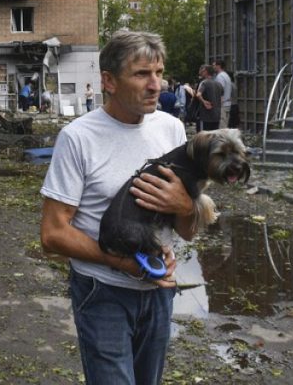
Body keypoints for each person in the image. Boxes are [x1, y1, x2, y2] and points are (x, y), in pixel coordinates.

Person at [39, 30, 196, 384]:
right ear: (108, 81)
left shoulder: (172, 129)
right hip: (103, 291)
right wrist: (123, 263)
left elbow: (186, 229)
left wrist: (186, 206)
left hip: (159, 291)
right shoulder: (78, 137)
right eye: (142, 74)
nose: (155, 85)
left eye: (158, 72)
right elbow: (52, 235)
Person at [195, 65, 223, 132]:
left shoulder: (204, 83)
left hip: (205, 116)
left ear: (206, 72)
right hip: (217, 115)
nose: (201, 72)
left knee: (204, 136)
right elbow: (222, 99)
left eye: (203, 71)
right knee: (214, 135)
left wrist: (204, 102)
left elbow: (198, 94)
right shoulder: (219, 84)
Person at [212, 59, 234, 129]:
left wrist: (217, 105)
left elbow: (220, 91)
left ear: (218, 66)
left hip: (222, 104)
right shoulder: (226, 76)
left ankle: (222, 139)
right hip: (227, 103)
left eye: (214, 65)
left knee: (222, 125)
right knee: (225, 123)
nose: (213, 67)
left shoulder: (220, 77)